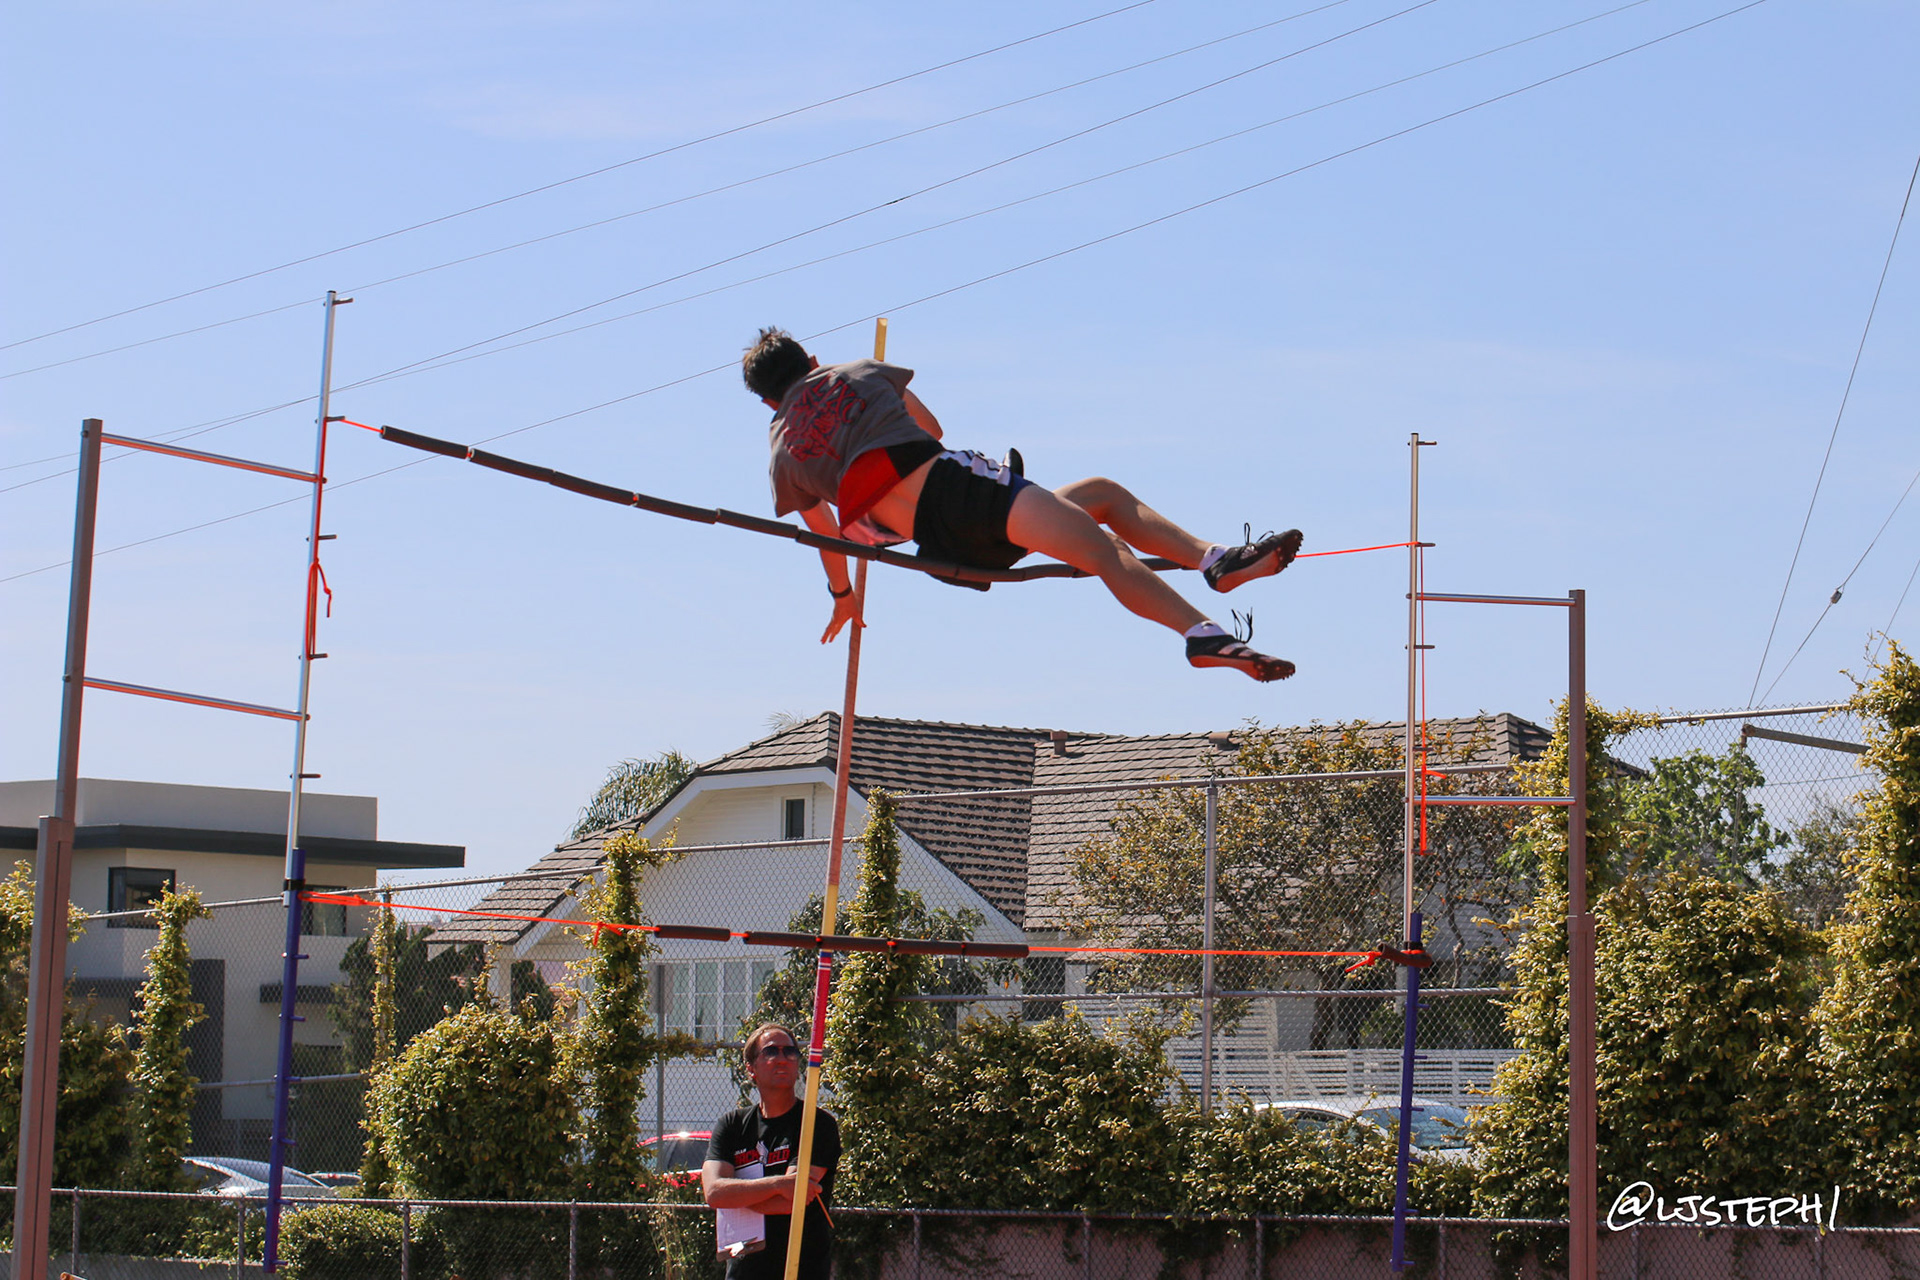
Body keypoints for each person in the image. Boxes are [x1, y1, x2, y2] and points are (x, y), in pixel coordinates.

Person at [744, 327, 1304, 681]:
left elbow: (827, 536)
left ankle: (1216, 560)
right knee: (1106, 550)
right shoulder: (860, 372)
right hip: (962, 491)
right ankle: (1202, 634)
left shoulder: (781, 452)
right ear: (811, 357)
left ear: (768, 401)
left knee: (1097, 496)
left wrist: (843, 597)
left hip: (943, 548)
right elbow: (932, 430)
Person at [702, 1023, 841, 1280]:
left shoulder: (816, 1124)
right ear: (750, 1068)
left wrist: (736, 1197)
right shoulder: (731, 1125)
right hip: (743, 1271)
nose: (782, 1058)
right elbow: (714, 1193)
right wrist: (778, 1184)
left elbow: (791, 1201)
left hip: (800, 1270)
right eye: (771, 1051)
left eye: (790, 1051)